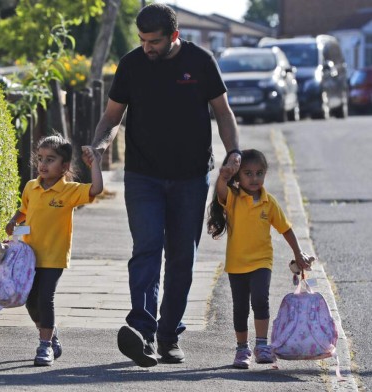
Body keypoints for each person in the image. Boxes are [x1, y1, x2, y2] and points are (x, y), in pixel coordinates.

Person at [89, 3, 241, 367]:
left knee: (181, 259)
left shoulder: (201, 61)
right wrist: (100, 144)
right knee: (146, 249)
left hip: (191, 177)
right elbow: (112, 116)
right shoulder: (131, 64)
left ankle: (169, 335)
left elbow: (223, 112)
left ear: (174, 35)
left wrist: (234, 152)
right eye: (142, 40)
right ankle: (141, 330)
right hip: (143, 176)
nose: (146, 47)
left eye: (153, 41)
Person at [207, 149, 314, 369]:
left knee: (260, 301)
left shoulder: (269, 202)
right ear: (238, 176)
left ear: (265, 174)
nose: (254, 178)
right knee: (240, 307)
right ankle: (241, 348)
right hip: (237, 264)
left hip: (261, 262)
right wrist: (224, 176)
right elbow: (220, 191)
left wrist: (298, 252)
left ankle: (262, 345)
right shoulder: (233, 198)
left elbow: (285, 229)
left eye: (259, 173)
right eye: (248, 173)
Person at [5, 135, 103, 366]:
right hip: (29, 256)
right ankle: (50, 332)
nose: (43, 164)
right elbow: (24, 210)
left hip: (54, 257)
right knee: (30, 301)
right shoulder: (31, 186)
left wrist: (95, 164)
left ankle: (45, 345)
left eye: (50, 159)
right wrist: (13, 221)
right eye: (40, 158)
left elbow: (97, 189)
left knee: (46, 298)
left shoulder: (69, 191)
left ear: (65, 167)